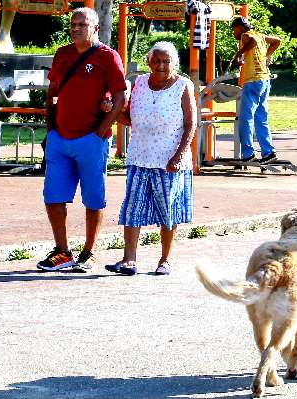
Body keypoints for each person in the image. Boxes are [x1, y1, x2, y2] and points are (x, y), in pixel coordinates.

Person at [37, 7, 126, 272]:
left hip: (91, 139)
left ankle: (89, 251)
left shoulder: (107, 57)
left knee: (93, 198)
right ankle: (62, 251)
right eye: (73, 24)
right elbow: (52, 92)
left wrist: (101, 132)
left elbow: (121, 96)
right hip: (60, 140)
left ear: (95, 29)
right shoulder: (62, 54)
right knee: (53, 197)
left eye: (82, 25)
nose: (76, 28)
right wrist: (51, 128)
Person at [105, 41, 196, 276]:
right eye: (156, 61)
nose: (161, 65)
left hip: (169, 161)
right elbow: (129, 118)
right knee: (132, 208)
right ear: (149, 62)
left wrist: (179, 155)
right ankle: (129, 260)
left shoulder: (183, 86)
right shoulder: (140, 83)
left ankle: (165, 260)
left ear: (174, 63)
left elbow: (190, 125)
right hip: (139, 156)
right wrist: (111, 110)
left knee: (168, 211)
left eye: (166, 61)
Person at [231, 16, 281, 164]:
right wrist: (267, 55)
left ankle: (247, 154)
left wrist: (238, 53)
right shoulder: (260, 35)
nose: (234, 32)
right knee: (261, 117)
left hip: (252, 81)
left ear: (240, 27)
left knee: (245, 118)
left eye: (234, 29)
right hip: (264, 80)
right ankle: (268, 152)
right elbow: (277, 41)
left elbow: (251, 42)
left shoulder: (246, 36)